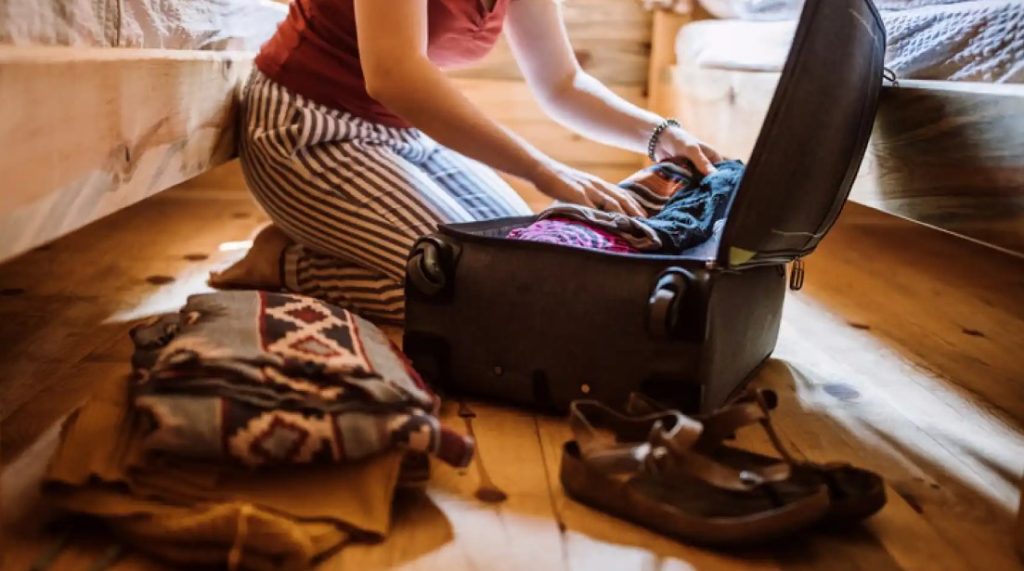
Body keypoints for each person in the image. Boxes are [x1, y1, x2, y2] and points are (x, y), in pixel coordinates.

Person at [210, 0, 722, 323]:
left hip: (405, 135)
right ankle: (287, 263)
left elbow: (563, 82)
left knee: (526, 267)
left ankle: (331, 237)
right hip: (306, 126)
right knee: (483, 298)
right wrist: (547, 170)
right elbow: (393, 74)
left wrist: (658, 133)